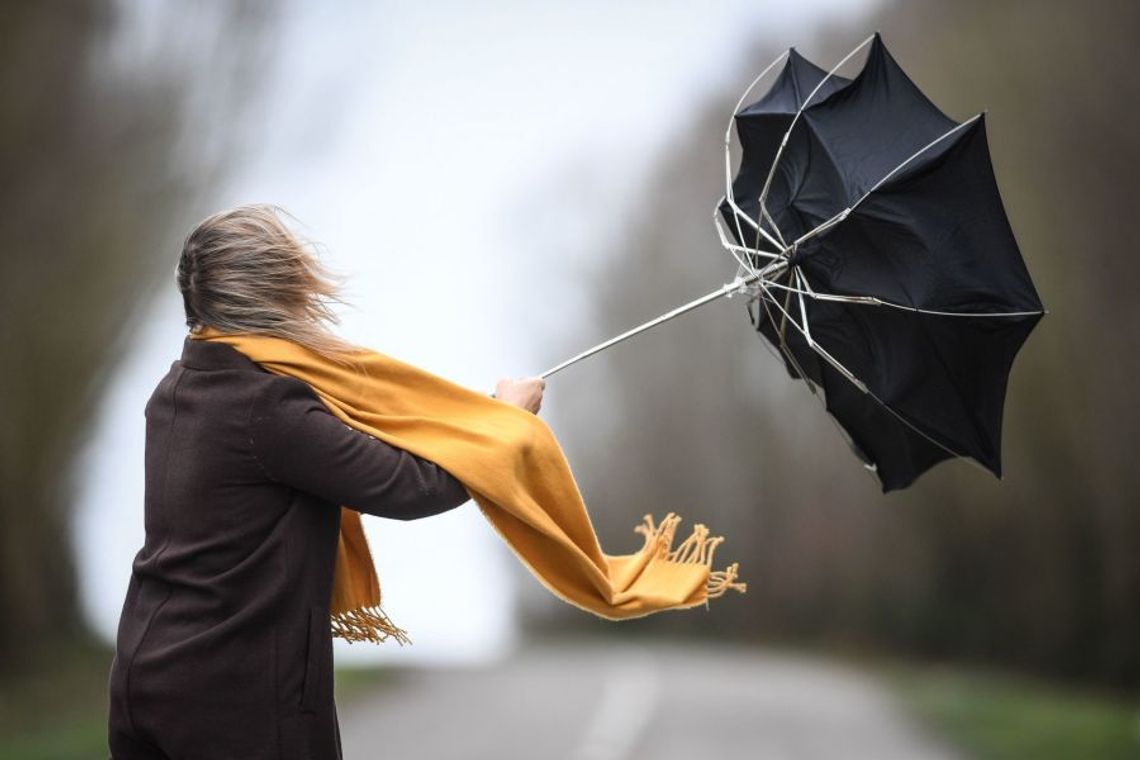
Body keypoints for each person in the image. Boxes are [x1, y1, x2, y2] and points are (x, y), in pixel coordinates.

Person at [106, 204, 545, 759]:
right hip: (234, 700)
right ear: (277, 294)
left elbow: (347, 453)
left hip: (144, 678)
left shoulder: (176, 389)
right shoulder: (266, 406)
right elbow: (411, 487)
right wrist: (509, 424)